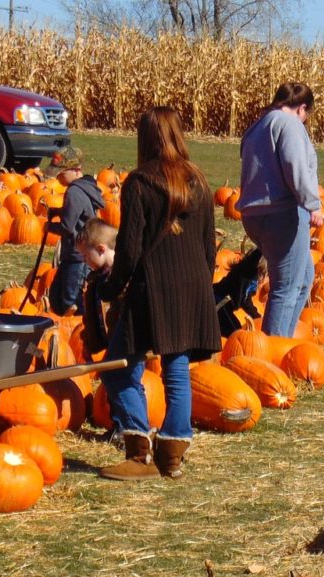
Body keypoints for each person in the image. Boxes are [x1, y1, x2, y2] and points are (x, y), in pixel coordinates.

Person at [97, 107, 221, 481]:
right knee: (176, 370)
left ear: (145, 138)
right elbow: (208, 246)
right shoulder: (197, 179)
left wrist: (110, 288)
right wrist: (201, 285)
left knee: (118, 369)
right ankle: (173, 454)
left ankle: (139, 453)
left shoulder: (140, 182)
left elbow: (131, 249)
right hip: (193, 285)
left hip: (153, 288)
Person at [239, 82, 321, 338]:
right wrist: (313, 205)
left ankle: (283, 340)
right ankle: (274, 351)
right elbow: (294, 167)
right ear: (303, 108)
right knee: (285, 288)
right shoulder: (290, 125)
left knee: (304, 276)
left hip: (254, 213)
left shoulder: (257, 126)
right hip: (282, 213)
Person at [45, 146, 106, 315]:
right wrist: (59, 211)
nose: (57, 176)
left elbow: (66, 227)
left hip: (77, 256)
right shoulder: (85, 189)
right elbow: (80, 213)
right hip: (77, 256)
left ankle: (75, 334)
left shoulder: (73, 192)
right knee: (57, 296)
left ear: (75, 170)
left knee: (71, 301)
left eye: (61, 172)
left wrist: (48, 227)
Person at [76, 217, 119, 355]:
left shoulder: (119, 278)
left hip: (121, 343)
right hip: (106, 345)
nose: (84, 260)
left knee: (117, 376)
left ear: (101, 249)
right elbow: (91, 313)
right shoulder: (95, 279)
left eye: (86, 256)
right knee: (109, 377)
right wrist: (88, 339)